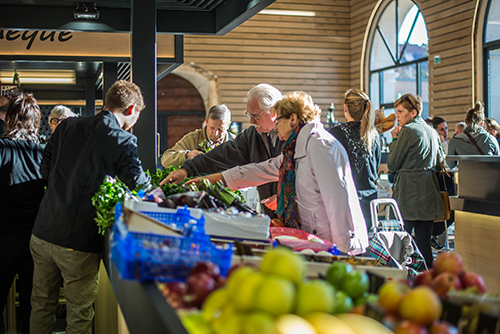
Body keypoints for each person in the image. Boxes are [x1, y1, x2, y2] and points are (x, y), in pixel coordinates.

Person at [30, 80, 150, 334]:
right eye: (138, 115)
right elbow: (140, 185)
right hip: (77, 242)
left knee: (41, 304)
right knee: (78, 313)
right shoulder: (123, 139)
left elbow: (46, 165)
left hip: (42, 231)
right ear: (131, 109)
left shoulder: (67, 126)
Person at [186, 91, 369, 255]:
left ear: (293, 119)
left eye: (278, 120)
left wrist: (342, 251)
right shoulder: (293, 150)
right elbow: (260, 169)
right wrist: (210, 179)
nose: (275, 127)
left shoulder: (321, 146)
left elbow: (337, 201)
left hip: (331, 245)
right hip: (314, 241)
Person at [162, 83, 284, 217]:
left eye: (255, 116)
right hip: (272, 214)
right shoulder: (253, 135)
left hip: (298, 215)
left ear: (273, 112)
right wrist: (187, 170)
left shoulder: (293, 137)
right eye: (249, 115)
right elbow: (222, 155)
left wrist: (285, 197)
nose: (251, 121)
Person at [0, 94, 45, 334]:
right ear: (34, 122)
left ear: (9, 120)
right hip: (35, 239)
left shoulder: (2, 148)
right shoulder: (44, 152)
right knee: (32, 306)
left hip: (4, 236)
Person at [387, 93, 444, 268]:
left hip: (408, 195)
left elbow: (393, 164)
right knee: (424, 245)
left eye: (400, 111)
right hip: (428, 194)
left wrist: (394, 139)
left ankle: (399, 282)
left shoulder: (408, 131)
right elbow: (440, 159)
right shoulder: (432, 131)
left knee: (400, 245)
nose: (397, 115)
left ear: (413, 113)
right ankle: (428, 281)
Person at [329, 88, 380, 232]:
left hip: (346, 200)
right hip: (370, 201)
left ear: (345, 108)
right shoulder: (374, 135)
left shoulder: (335, 133)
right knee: (367, 248)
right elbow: (375, 169)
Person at [161, 104, 235, 167]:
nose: (215, 133)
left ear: (228, 125)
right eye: (212, 128)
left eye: (220, 129)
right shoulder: (192, 139)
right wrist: (187, 155)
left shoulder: (235, 142)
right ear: (206, 121)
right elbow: (165, 160)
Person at [429, 116, 455, 251]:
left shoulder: (445, 143)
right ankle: (431, 235)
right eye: (441, 129)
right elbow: (446, 162)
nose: (445, 132)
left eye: (446, 129)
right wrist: (442, 143)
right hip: (439, 182)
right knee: (446, 212)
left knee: (450, 212)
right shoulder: (435, 144)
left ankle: (432, 236)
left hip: (447, 181)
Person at [448, 102, 499, 169]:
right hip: (490, 178)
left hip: (466, 178)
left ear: (466, 121)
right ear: (482, 123)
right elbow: (498, 164)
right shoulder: (491, 139)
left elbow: (450, 165)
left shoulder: (455, 140)